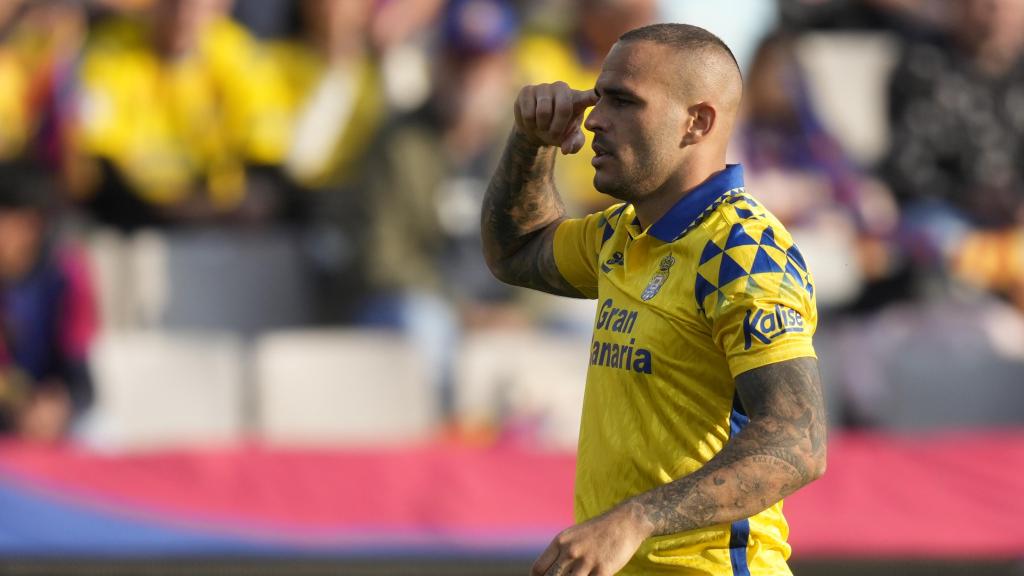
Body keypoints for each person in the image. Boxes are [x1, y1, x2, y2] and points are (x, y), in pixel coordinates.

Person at [481, 23, 826, 575]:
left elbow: (797, 441)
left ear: (698, 122)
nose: (594, 118)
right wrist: (530, 141)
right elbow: (515, 250)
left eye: (623, 101)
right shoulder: (622, 232)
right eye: (597, 98)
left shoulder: (742, 251)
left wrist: (636, 518)